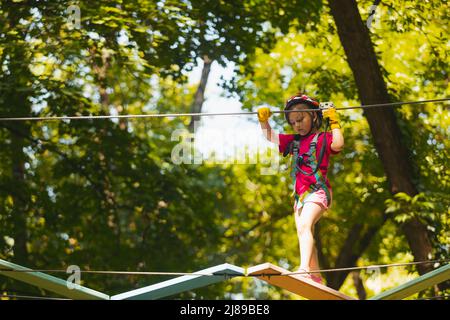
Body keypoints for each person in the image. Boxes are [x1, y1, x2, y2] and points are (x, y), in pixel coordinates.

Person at [257, 94, 344, 284]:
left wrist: (334, 121)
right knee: (304, 231)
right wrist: (264, 122)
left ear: (313, 116)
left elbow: (338, 144)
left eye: (301, 119)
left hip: (318, 190)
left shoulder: (322, 137)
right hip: (300, 196)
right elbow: (271, 137)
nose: (297, 125)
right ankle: (315, 274)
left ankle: (304, 269)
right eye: (293, 122)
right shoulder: (293, 141)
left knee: (305, 226)